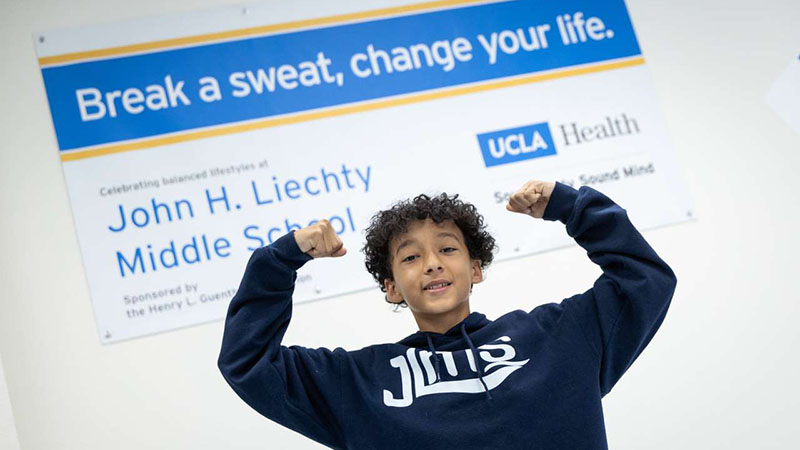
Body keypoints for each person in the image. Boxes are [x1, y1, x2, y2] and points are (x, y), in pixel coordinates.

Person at [217, 180, 677, 449]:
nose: (433, 262)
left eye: (448, 249)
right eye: (411, 257)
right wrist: (280, 260)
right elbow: (249, 363)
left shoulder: (559, 337)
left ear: (475, 268)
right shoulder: (357, 383)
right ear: (391, 287)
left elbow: (644, 281)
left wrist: (571, 207)